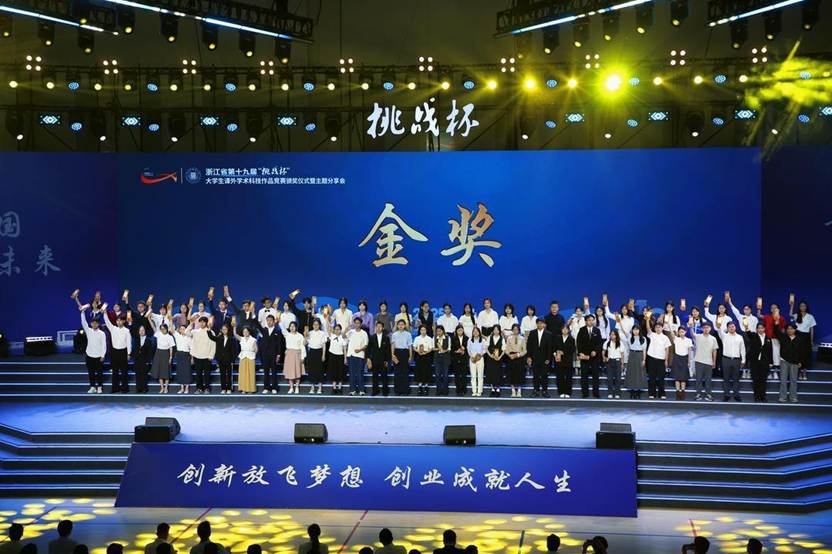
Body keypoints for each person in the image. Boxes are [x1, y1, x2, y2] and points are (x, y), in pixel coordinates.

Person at [102, 304, 132, 393]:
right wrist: (105, 313)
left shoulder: (127, 330)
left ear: (123, 321)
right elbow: (107, 321)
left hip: (123, 351)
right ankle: (115, 388)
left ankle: (124, 388)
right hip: (115, 352)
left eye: (120, 321)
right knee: (115, 371)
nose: (118, 322)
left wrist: (129, 353)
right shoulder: (113, 328)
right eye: (117, 320)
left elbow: (128, 342)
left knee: (124, 371)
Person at [79, 306, 106, 393]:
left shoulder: (102, 333)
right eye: (93, 323)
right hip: (89, 355)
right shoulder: (89, 331)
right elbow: (83, 322)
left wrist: (103, 355)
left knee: (99, 372)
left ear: (98, 324)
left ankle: (99, 387)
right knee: (91, 372)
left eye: (96, 323)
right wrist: (82, 312)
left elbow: (104, 345)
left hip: (98, 356)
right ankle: (92, 387)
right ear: (91, 324)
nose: (94, 324)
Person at [576, 314, 603, 399]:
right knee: (584, 375)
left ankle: (596, 392)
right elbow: (578, 342)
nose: (591, 322)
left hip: (595, 356)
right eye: (589, 320)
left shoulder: (597, 330)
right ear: (586, 321)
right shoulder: (582, 330)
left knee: (595, 375)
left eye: (592, 320)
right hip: (584, 356)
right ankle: (585, 393)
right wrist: (580, 353)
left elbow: (600, 343)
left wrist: (595, 351)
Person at [258, 314, 285, 394]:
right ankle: (266, 387)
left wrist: (279, 354)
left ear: (274, 321)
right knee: (266, 371)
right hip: (265, 354)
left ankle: (274, 387)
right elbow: (257, 325)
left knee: (274, 371)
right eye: (268, 320)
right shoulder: (264, 330)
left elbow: (279, 344)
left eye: (270, 320)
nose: (269, 322)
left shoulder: (277, 331)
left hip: (274, 354)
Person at [526, 318, 553, 398]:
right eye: (538, 323)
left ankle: (545, 391)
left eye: (541, 323)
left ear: (544, 324)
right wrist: (529, 357)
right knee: (535, 375)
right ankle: (536, 390)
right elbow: (529, 346)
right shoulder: (532, 333)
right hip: (534, 358)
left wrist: (548, 358)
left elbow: (550, 347)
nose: (540, 325)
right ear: (536, 324)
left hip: (545, 359)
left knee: (544, 375)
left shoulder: (549, 334)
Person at [777, 323, 803, 403]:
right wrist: (776, 324)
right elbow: (776, 332)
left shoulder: (799, 339)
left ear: (795, 330)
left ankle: (793, 397)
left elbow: (801, 351)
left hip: (795, 362)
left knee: (793, 380)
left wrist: (800, 361)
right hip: (784, 361)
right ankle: (782, 397)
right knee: (783, 380)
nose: (790, 330)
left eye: (792, 329)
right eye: (788, 329)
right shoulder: (783, 337)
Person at [720, 322, 746, 402]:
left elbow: (742, 349)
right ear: (727, 328)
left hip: (736, 360)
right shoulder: (724, 336)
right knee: (726, 378)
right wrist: (719, 324)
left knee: (736, 378)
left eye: (733, 326)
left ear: (735, 327)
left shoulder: (740, 337)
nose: (731, 328)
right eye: (730, 327)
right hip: (726, 359)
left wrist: (743, 360)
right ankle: (726, 395)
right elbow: (718, 329)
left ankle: (736, 394)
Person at [692, 322, 718, 401]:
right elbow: (692, 333)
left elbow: (714, 350)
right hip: (699, 360)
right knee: (698, 378)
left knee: (708, 379)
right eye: (704, 327)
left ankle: (708, 394)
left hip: (709, 361)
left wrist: (714, 361)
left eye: (707, 327)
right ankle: (698, 393)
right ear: (702, 329)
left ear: (710, 328)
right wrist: (690, 326)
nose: (706, 329)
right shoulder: (698, 336)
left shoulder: (713, 338)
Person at [747, 323, 773, 402]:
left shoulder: (768, 339)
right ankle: (757, 396)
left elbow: (770, 351)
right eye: (759, 328)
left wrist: (771, 362)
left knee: (763, 379)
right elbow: (748, 333)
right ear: (756, 329)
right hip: (754, 362)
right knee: (755, 379)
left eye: (762, 328)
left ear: (764, 329)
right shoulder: (754, 336)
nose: (760, 329)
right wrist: (746, 327)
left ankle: (763, 396)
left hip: (764, 362)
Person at [791, 299, 816, 380]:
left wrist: (811, 340)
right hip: (797, 335)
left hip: (806, 337)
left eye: (804, 306)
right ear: (799, 307)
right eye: (801, 306)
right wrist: (791, 305)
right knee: (798, 354)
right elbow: (790, 315)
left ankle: (804, 373)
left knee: (805, 355)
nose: (803, 307)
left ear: (806, 307)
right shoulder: (796, 315)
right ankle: (799, 372)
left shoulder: (810, 316)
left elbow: (812, 329)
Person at [646, 322, 671, 399]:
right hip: (651, 359)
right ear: (654, 328)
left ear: (662, 328)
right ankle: (652, 393)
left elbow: (667, 350)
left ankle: (662, 394)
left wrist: (666, 360)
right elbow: (648, 328)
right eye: (656, 327)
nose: (658, 328)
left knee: (661, 378)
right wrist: (647, 320)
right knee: (651, 377)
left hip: (661, 360)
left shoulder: (665, 338)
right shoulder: (652, 335)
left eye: (659, 327)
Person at [190, 316, 216, 394]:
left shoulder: (210, 332)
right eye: (200, 322)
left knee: (207, 374)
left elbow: (213, 344)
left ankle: (207, 388)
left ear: (206, 323)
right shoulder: (195, 332)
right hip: (197, 356)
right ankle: (199, 388)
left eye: (203, 322)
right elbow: (186, 332)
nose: (202, 323)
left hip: (207, 356)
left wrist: (211, 355)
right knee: (198, 374)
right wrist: (191, 322)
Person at [210, 323, 236, 395]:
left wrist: (233, 360)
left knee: (229, 375)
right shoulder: (219, 338)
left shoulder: (232, 339)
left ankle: (229, 388)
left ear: (228, 330)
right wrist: (209, 329)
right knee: (222, 375)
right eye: (223, 329)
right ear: (221, 330)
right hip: (221, 359)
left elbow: (234, 351)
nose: (224, 330)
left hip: (229, 359)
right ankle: (223, 388)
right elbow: (211, 337)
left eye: (225, 329)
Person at [149, 320, 175, 394]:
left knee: (166, 371)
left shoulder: (170, 337)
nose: (162, 330)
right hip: (158, 353)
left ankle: (166, 388)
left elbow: (171, 348)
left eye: (164, 329)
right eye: (161, 329)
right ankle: (162, 388)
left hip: (166, 353)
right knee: (159, 371)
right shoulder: (158, 334)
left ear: (166, 329)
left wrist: (170, 357)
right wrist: (149, 319)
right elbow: (153, 327)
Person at [367, 321, 392, 396]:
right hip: (374, 360)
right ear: (375, 327)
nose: (378, 328)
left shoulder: (386, 338)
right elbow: (368, 349)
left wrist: (387, 360)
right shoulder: (372, 337)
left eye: (380, 326)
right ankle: (375, 390)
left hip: (383, 360)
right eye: (377, 326)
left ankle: (385, 391)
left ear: (383, 328)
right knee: (374, 376)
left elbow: (388, 350)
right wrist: (368, 359)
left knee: (384, 376)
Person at [305, 318, 328, 394]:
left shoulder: (322, 333)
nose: (315, 326)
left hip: (319, 352)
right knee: (311, 369)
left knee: (320, 369)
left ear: (319, 325)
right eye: (314, 324)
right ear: (312, 325)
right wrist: (305, 335)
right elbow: (304, 343)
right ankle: (312, 387)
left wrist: (323, 355)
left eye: (317, 324)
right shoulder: (310, 333)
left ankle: (320, 387)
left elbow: (324, 345)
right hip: (311, 352)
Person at [347, 317, 369, 395]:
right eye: (355, 323)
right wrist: (347, 328)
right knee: (352, 373)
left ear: (361, 324)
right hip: (351, 355)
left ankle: (361, 390)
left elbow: (366, 345)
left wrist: (359, 350)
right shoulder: (351, 332)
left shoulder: (364, 333)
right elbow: (343, 337)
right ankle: (352, 390)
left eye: (358, 323)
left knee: (360, 373)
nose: (356, 324)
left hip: (360, 355)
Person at [391, 319, 413, 395]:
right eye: (399, 324)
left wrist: (410, 356)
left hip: (405, 353)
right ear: (397, 325)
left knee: (405, 372)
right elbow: (393, 345)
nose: (401, 326)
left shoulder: (408, 334)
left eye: (402, 324)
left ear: (405, 326)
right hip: (397, 353)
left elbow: (410, 346)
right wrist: (392, 354)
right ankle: (397, 391)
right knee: (397, 372)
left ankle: (405, 390)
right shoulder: (394, 334)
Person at [552, 322, 575, 398]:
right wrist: (556, 353)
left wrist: (563, 352)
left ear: (568, 330)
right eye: (563, 329)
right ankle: (561, 392)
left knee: (568, 377)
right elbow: (554, 348)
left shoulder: (571, 339)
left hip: (568, 361)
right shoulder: (557, 338)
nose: (565, 330)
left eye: (566, 329)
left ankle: (567, 392)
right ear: (561, 330)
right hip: (559, 361)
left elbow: (572, 350)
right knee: (560, 377)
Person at [624, 325, 647, 399]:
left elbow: (644, 350)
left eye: (637, 329)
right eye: (634, 329)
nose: (635, 331)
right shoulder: (630, 337)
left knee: (639, 373)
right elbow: (624, 332)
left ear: (639, 330)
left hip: (640, 355)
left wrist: (644, 360)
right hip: (632, 355)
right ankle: (632, 390)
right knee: (632, 373)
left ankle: (638, 390)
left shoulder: (643, 338)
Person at [233, 323, 258, 394]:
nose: (245, 333)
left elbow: (256, 349)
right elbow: (235, 334)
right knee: (243, 373)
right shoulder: (242, 339)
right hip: (243, 357)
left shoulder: (253, 339)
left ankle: (251, 389)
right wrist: (234, 327)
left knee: (250, 374)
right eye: (244, 332)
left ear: (249, 332)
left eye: (246, 331)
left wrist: (253, 355)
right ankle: (243, 388)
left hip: (251, 357)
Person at [283, 321, 306, 395]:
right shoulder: (287, 335)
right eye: (291, 326)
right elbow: (282, 328)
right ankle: (291, 387)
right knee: (290, 372)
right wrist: (278, 321)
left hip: (297, 354)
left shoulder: (300, 336)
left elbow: (302, 347)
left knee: (297, 371)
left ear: (296, 327)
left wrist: (303, 357)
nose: (292, 328)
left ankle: (297, 387)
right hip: (289, 354)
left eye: (293, 326)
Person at [671, 326, 693, 400]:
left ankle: (683, 392)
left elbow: (689, 351)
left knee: (683, 377)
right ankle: (678, 392)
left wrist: (689, 361)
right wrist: (670, 326)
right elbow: (671, 333)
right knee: (677, 377)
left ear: (685, 332)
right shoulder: (676, 339)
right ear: (678, 332)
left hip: (685, 359)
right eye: (680, 332)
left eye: (683, 332)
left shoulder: (689, 340)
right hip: (677, 358)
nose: (681, 333)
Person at [505, 324, 527, 397]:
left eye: (516, 329)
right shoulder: (509, 338)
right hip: (511, 357)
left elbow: (525, 350)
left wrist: (517, 355)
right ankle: (513, 390)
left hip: (519, 357)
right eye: (514, 329)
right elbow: (506, 349)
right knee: (511, 374)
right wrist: (509, 355)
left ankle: (519, 390)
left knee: (519, 374)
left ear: (519, 330)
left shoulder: (522, 338)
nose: (515, 331)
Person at [133, 325, 155, 394]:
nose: (141, 332)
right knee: (138, 374)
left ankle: (145, 388)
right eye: (140, 330)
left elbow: (150, 351)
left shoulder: (148, 340)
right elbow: (134, 350)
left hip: (145, 359)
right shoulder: (136, 339)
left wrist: (148, 361)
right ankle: (138, 388)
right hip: (137, 359)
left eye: (143, 330)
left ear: (145, 331)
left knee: (144, 374)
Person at [603, 330, 625, 399]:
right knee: (609, 378)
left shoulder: (620, 343)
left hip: (617, 361)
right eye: (611, 334)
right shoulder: (607, 343)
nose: (612, 336)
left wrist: (622, 363)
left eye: (614, 334)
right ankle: (610, 393)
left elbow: (622, 354)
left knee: (618, 378)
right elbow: (603, 351)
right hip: (609, 362)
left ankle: (617, 393)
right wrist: (604, 358)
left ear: (616, 335)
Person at [326, 324, 348, 394]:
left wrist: (345, 358)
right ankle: (334, 387)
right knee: (333, 371)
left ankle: (340, 388)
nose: (337, 331)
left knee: (340, 372)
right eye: (335, 329)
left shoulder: (343, 338)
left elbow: (344, 349)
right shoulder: (332, 336)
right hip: (332, 356)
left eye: (338, 329)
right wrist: (327, 320)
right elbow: (328, 328)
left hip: (340, 356)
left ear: (340, 330)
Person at [413, 324, 434, 396]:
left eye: (424, 330)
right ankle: (420, 386)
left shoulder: (429, 338)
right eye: (421, 330)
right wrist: (418, 351)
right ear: (420, 331)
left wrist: (426, 352)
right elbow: (414, 347)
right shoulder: (417, 338)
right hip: (419, 356)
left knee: (426, 370)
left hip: (427, 356)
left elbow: (431, 348)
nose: (423, 331)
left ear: (426, 330)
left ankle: (426, 386)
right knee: (419, 370)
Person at [173, 324, 193, 394]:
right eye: (181, 329)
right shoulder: (177, 336)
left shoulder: (189, 338)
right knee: (180, 371)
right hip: (179, 355)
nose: (182, 330)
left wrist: (192, 358)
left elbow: (191, 348)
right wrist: (170, 320)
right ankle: (182, 388)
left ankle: (187, 388)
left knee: (187, 371)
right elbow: (172, 329)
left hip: (187, 355)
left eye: (183, 329)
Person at [484, 326, 504, 397]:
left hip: (498, 359)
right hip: (491, 358)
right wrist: (490, 355)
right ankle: (492, 389)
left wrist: (499, 357)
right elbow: (486, 348)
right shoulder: (489, 338)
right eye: (494, 329)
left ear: (499, 331)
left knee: (498, 373)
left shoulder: (502, 339)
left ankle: (498, 389)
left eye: (497, 330)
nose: (496, 331)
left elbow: (504, 349)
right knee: (491, 373)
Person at [450, 325, 469, 396]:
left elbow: (469, 348)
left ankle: (464, 389)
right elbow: (451, 348)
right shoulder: (453, 338)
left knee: (464, 374)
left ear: (463, 330)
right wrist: (456, 351)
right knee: (457, 375)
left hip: (464, 358)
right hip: (456, 358)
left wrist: (464, 351)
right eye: (458, 330)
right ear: (456, 331)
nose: (460, 332)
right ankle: (458, 389)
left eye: (461, 330)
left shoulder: (467, 338)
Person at [434, 325, 452, 396]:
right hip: (437, 358)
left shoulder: (447, 337)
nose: (438, 332)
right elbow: (432, 348)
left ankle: (445, 391)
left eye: (440, 331)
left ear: (443, 331)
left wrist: (444, 350)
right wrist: (438, 348)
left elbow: (449, 348)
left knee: (445, 375)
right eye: (437, 331)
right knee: (437, 375)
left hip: (445, 358)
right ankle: (438, 390)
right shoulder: (434, 338)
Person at [467, 327, 485, 397]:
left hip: (480, 358)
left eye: (477, 331)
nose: (475, 333)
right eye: (474, 331)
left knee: (480, 376)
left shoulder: (482, 340)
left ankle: (479, 391)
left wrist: (480, 355)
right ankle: (474, 391)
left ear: (479, 332)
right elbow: (468, 349)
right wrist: (471, 356)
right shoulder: (470, 340)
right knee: (473, 376)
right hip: (472, 359)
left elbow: (484, 350)